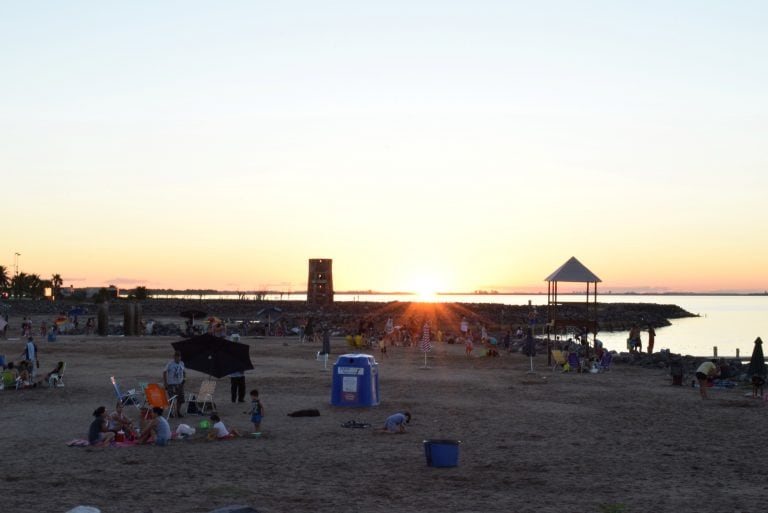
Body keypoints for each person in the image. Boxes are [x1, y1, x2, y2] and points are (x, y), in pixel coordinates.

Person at [163, 351, 185, 418]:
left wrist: (184, 379)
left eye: (179, 357)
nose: (177, 358)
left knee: (180, 399)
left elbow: (183, 372)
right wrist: (165, 383)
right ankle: (171, 413)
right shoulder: (170, 363)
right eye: (176, 357)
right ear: (174, 357)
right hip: (171, 384)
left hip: (179, 384)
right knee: (172, 399)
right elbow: (164, 372)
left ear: (180, 357)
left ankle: (177, 412)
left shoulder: (182, 363)